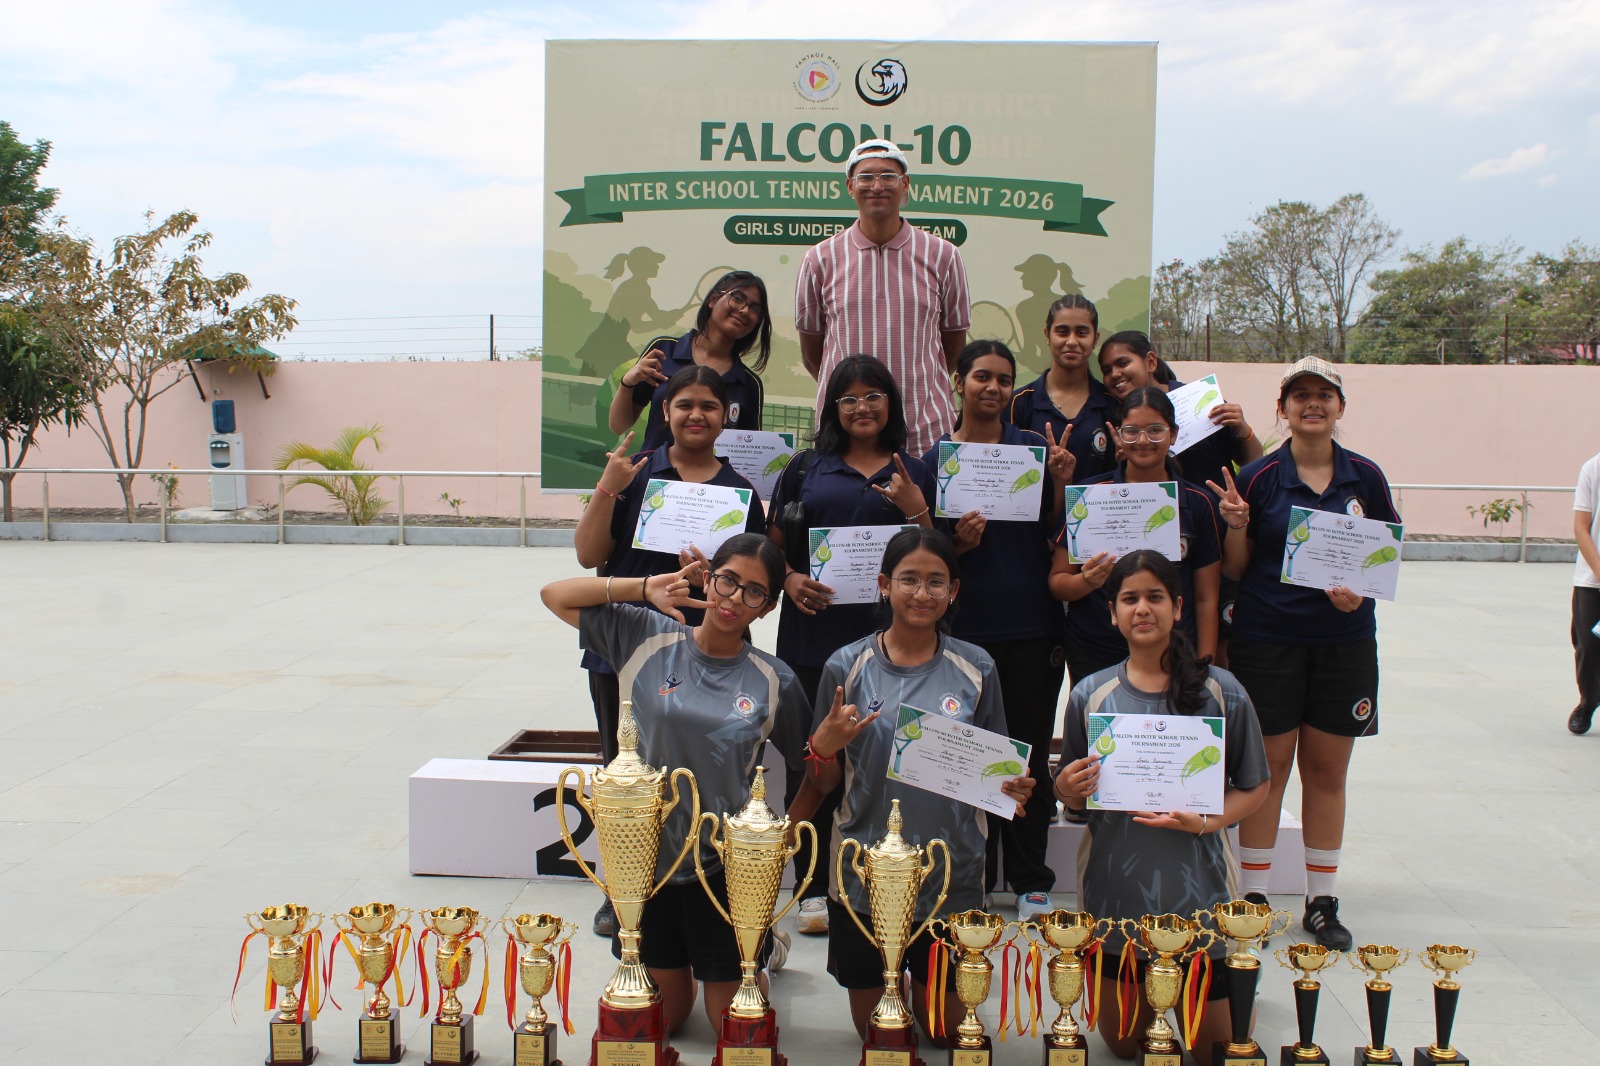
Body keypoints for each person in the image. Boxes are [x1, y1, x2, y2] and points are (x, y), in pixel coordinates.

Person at [540, 534, 812, 1034]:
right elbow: (554, 594)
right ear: (708, 578)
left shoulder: (775, 680)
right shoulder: (646, 636)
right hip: (647, 863)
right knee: (662, 1024)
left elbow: (814, 766)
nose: (734, 599)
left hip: (721, 868)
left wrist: (778, 843)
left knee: (732, 1026)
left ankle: (761, 946)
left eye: (754, 592)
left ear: (768, 607)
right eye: (727, 580)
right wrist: (643, 587)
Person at [805, 527, 1035, 1043]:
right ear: (884, 585)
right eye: (909, 580)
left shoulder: (976, 667)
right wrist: (823, 745)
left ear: (954, 591)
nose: (922, 593)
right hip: (864, 872)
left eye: (936, 582)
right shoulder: (846, 665)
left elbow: (997, 772)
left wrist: (1013, 789)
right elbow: (823, 782)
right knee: (881, 1036)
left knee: (944, 1033)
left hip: (951, 875)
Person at [1207, 357, 1398, 950]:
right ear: (1282, 408)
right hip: (1269, 641)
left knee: (1327, 771)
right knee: (1269, 769)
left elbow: (1383, 558)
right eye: (1300, 395)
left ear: (1340, 407)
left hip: (1344, 645)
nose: (1312, 404)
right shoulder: (1260, 476)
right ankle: (1255, 899)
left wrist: (1357, 594)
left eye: (1324, 395)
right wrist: (1236, 524)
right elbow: (1237, 568)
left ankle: (1322, 900)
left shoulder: (1365, 477)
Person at [1052, 551, 1269, 1066]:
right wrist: (1064, 788)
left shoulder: (1222, 692)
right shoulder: (1090, 695)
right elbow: (1076, 795)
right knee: (1126, 1047)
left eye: (1154, 598)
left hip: (1200, 892)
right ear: (1113, 612)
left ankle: (1230, 986)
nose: (1142, 609)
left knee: (1212, 1052)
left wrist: (1206, 822)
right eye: (1129, 599)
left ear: (1177, 607)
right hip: (1116, 899)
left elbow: (1255, 787)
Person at [574, 365, 768, 936]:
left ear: (725, 416)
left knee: (709, 773)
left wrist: (716, 580)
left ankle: (708, 882)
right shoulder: (634, 474)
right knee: (624, 772)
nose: (696, 415)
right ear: (666, 412)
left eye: (709, 405)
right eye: (684, 404)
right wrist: (609, 485)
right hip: (628, 645)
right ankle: (624, 888)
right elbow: (588, 557)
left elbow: (754, 584)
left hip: (710, 653)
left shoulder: (740, 493)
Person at [768, 354, 936, 936]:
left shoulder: (914, 468)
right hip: (814, 638)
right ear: (832, 408)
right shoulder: (805, 468)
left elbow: (935, 554)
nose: (862, 408)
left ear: (891, 403)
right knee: (813, 759)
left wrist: (915, 504)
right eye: (848, 399)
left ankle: (892, 873)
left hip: (894, 647)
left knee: (889, 759)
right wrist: (788, 578)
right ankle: (810, 885)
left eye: (873, 396)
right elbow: (772, 544)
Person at [922, 339, 1073, 920]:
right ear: (959, 381)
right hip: (961, 630)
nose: (993, 388)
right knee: (966, 753)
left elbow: (1060, 534)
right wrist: (956, 545)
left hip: (1032, 626)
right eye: (981, 376)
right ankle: (975, 877)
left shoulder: (1033, 450)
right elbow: (926, 549)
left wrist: (1059, 483)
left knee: (1028, 754)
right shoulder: (937, 459)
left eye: (1004, 379)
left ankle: (1032, 878)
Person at [795, 139, 970, 456]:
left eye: (888, 176)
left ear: (906, 185)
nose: (877, 186)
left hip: (924, 431)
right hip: (846, 434)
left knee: (924, 508)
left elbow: (952, 345)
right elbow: (813, 355)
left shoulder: (944, 255)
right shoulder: (819, 259)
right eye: (865, 177)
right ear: (850, 186)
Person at [1049, 388, 1222, 686]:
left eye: (1155, 430)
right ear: (1117, 434)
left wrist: (1204, 664)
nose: (1143, 441)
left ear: (1174, 434)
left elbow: (1207, 598)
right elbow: (1058, 582)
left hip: (1174, 651)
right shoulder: (1090, 495)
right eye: (1132, 431)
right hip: (1096, 649)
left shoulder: (1197, 501)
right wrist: (1087, 581)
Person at [608, 269, 773, 451]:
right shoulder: (663, 350)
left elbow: (748, 453)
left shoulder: (749, 384)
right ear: (712, 299)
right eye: (737, 298)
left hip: (714, 480)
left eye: (755, 308)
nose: (744, 310)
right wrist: (627, 383)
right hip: (654, 477)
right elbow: (619, 426)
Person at [1096, 330, 1263, 495]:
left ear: (1150, 362)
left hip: (1213, 516)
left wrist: (1244, 430)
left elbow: (1251, 461)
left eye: (1123, 363)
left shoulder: (1202, 402)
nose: (1115, 374)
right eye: (1106, 370)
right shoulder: (1116, 422)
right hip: (1152, 517)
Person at [1005, 295, 1119, 481]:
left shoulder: (1113, 405)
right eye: (1062, 332)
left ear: (1095, 338)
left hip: (1093, 510)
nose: (1072, 341)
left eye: (1082, 333)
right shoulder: (1017, 403)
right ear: (1047, 335)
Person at [1571, 449, 1600, 734]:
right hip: (1592, 579)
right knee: (1588, 648)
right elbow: (1581, 528)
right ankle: (1588, 702)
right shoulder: (1593, 468)